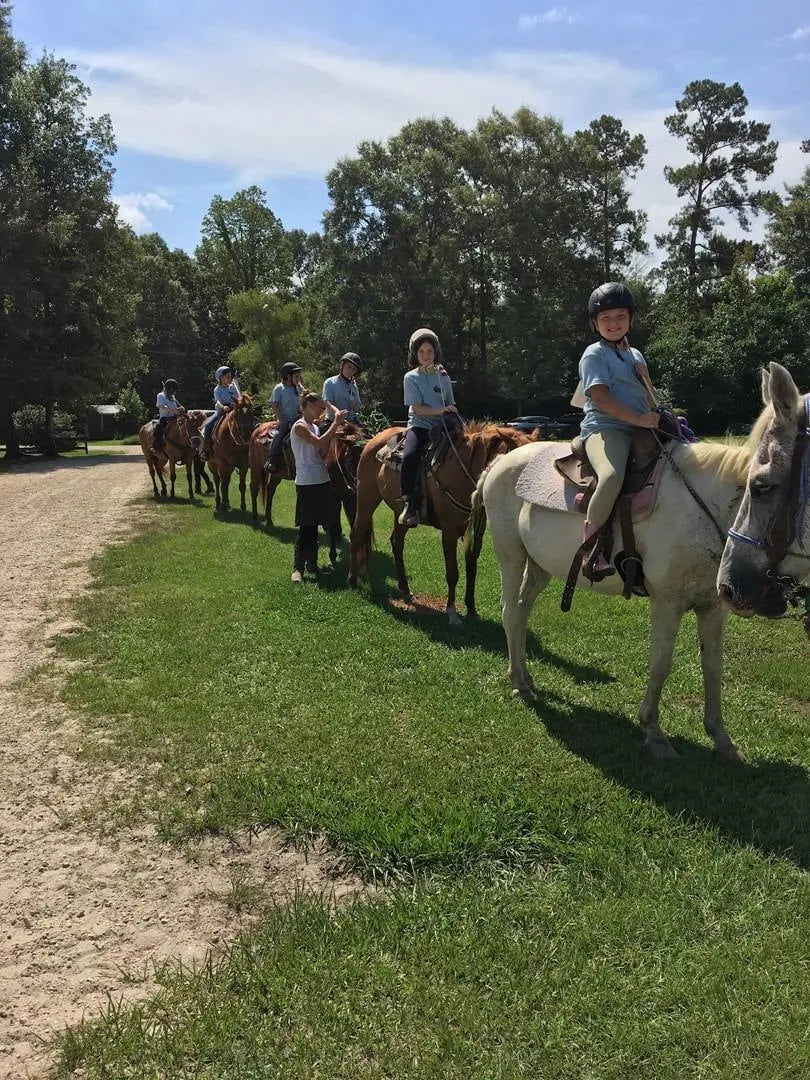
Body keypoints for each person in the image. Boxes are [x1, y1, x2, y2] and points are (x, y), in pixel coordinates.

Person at [578, 282, 659, 579]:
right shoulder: (594, 355)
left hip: (639, 426)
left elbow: (648, 396)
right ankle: (591, 549)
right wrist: (638, 420)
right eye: (606, 319)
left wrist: (657, 408)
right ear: (595, 323)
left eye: (620, 317)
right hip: (605, 428)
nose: (613, 324)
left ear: (631, 319)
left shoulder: (636, 355)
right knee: (611, 476)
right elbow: (600, 398)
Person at [398, 327, 458, 527]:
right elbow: (417, 409)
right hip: (420, 427)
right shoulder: (410, 377)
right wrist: (441, 411)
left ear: (436, 352)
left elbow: (451, 402)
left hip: (443, 427)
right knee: (409, 456)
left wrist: (452, 412)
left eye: (429, 351)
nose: (425, 355)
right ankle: (408, 504)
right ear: (415, 353)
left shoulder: (443, 376)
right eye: (421, 351)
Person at [289, 392, 346, 582]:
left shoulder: (314, 426)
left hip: (322, 480)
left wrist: (333, 435)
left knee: (326, 523)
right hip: (306, 483)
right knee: (307, 527)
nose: (320, 410)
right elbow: (319, 442)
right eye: (317, 406)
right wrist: (335, 424)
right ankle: (298, 569)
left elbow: (321, 451)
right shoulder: (299, 427)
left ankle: (312, 564)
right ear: (305, 406)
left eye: (321, 407)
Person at [268, 362, 305, 472]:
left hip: (298, 419)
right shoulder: (279, 388)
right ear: (288, 376)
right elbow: (275, 404)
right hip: (286, 420)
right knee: (279, 436)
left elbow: (304, 402)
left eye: (299, 376)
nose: (299, 379)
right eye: (296, 376)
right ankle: (272, 459)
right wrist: (281, 419)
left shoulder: (298, 388)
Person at [201, 365, 240, 459]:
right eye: (228, 377)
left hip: (234, 410)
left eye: (231, 376)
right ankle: (206, 450)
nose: (230, 378)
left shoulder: (233, 387)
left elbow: (238, 398)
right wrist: (223, 407)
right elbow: (218, 402)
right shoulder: (217, 390)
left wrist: (235, 403)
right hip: (221, 412)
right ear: (221, 378)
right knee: (208, 425)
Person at [322, 352, 364, 425]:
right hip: (333, 421)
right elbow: (327, 402)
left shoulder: (354, 386)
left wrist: (354, 406)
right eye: (349, 367)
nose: (351, 371)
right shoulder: (329, 382)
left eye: (354, 369)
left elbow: (359, 407)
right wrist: (337, 412)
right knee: (320, 432)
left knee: (368, 435)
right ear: (342, 365)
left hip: (351, 421)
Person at [153, 379, 184, 450]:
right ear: (169, 388)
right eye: (173, 390)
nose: (174, 392)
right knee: (159, 428)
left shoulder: (173, 397)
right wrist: (174, 411)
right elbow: (163, 407)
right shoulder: (160, 395)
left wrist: (181, 408)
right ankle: (155, 446)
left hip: (175, 417)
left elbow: (178, 405)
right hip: (165, 418)